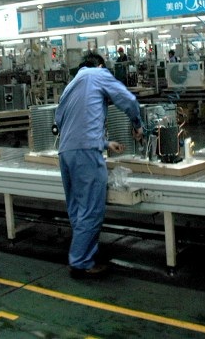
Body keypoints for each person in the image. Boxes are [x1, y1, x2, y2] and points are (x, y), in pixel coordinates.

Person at [55, 52, 143, 279]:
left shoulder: (70, 85)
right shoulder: (99, 74)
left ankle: (84, 254)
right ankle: (81, 262)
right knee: (92, 210)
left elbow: (60, 120)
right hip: (86, 154)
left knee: (77, 209)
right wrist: (138, 124)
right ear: (101, 65)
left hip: (66, 153)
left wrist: (104, 142)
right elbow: (128, 100)